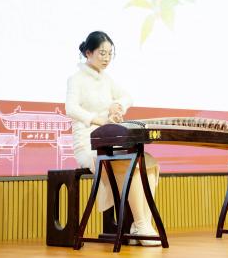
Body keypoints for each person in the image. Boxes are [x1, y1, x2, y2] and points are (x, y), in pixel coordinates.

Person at [65, 31, 161, 246]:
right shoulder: (76, 79)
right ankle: (141, 224)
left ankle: (141, 225)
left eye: (110, 54)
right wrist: (98, 120)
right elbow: (70, 108)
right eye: (102, 53)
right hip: (88, 145)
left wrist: (117, 106)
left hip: (109, 141)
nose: (106, 58)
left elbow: (128, 97)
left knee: (149, 163)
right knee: (131, 163)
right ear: (88, 53)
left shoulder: (107, 79)